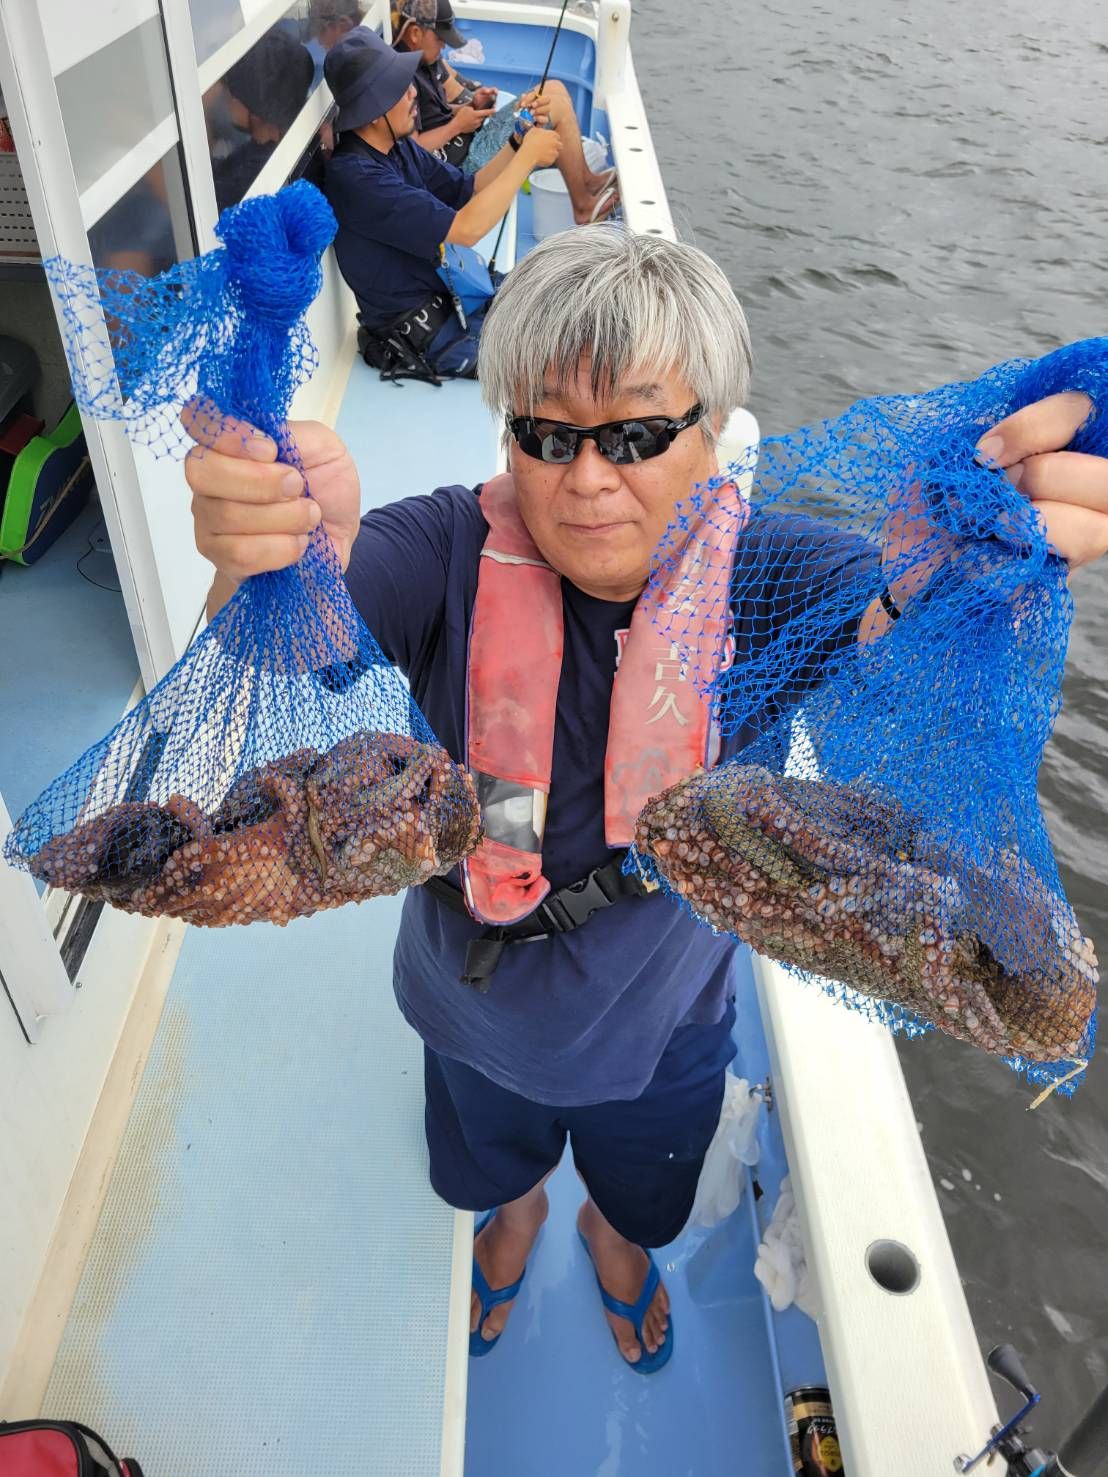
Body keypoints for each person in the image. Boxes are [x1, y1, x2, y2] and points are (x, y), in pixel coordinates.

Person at [184, 227, 1108, 1371]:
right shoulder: (440, 549)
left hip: (660, 1022)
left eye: (633, 434)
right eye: (547, 434)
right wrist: (270, 565)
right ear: (509, 435)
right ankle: (516, 1209)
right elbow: (280, 646)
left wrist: (959, 584)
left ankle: (613, 1238)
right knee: (489, 1160)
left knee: (641, 1194)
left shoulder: (768, 573)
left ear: (711, 431)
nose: (585, 478)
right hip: (466, 1000)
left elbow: (894, 644)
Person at [322, 26, 561, 381]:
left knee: (557, 300)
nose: (413, 92)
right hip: (429, 334)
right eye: (399, 89)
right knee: (556, 360)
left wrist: (517, 140)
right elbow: (466, 230)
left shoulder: (397, 146)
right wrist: (527, 159)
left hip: (458, 298)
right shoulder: (357, 178)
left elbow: (469, 188)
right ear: (372, 111)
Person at [393, 0, 617, 222]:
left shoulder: (426, 59)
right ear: (415, 33)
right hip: (463, 168)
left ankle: (588, 182)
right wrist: (456, 126)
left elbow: (431, 116)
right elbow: (411, 149)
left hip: (476, 140)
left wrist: (470, 106)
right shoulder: (401, 78)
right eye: (440, 39)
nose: (444, 46)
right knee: (555, 107)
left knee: (554, 88)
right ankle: (582, 206)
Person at [213, 29, 315, 210]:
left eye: (232, 91)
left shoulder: (250, 181)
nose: (227, 97)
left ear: (256, 108)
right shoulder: (291, 138)